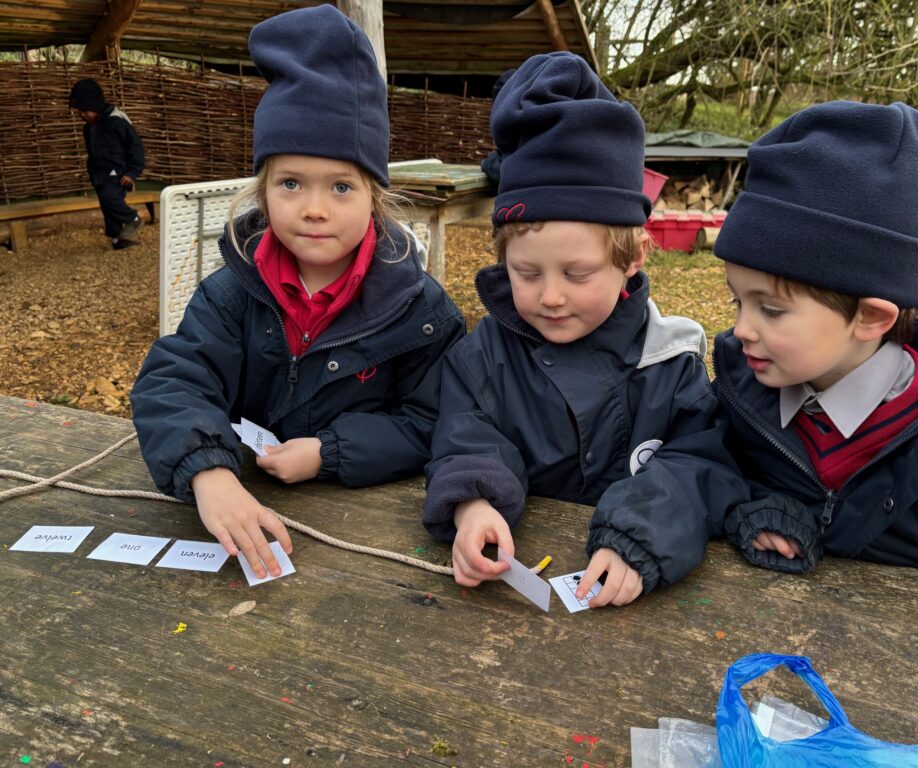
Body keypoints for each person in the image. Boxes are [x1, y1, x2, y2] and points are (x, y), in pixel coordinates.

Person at [130, 5, 465, 579]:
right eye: (290, 183)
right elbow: (175, 380)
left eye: (340, 186)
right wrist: (209, 472)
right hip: (240, 512)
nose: (314, 208)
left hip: (363, 539)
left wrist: (330, 452)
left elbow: (435, 418)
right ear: (263, 188)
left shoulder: (422, 312)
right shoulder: (231, 293)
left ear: (374, 197)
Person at [423, 52, 762, 607]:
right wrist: (473, 504)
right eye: (526, 273)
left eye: (576, 274)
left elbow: (701, 462)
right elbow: (466, 435)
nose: (550, 296)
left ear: (632, 259)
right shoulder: (482, 355)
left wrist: (639, 535)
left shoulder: (670, 360)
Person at [712, 100, 918, 586]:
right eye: (738, 302)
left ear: (871, 317)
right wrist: (752, 509)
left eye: (770, 309)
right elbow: (710, 474)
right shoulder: (742, 396)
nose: (741, 330)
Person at [68, 78, 145, 250]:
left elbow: (136, 147)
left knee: (110, 198)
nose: (82, 114)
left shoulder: (117, 121)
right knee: (107, 207)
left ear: (95, 105)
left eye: (85, 110)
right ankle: (118, 240)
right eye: (79, 111)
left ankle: (133, 219)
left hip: (119, 173)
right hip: (99, 174)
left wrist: (133, 172)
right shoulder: (88, 128)